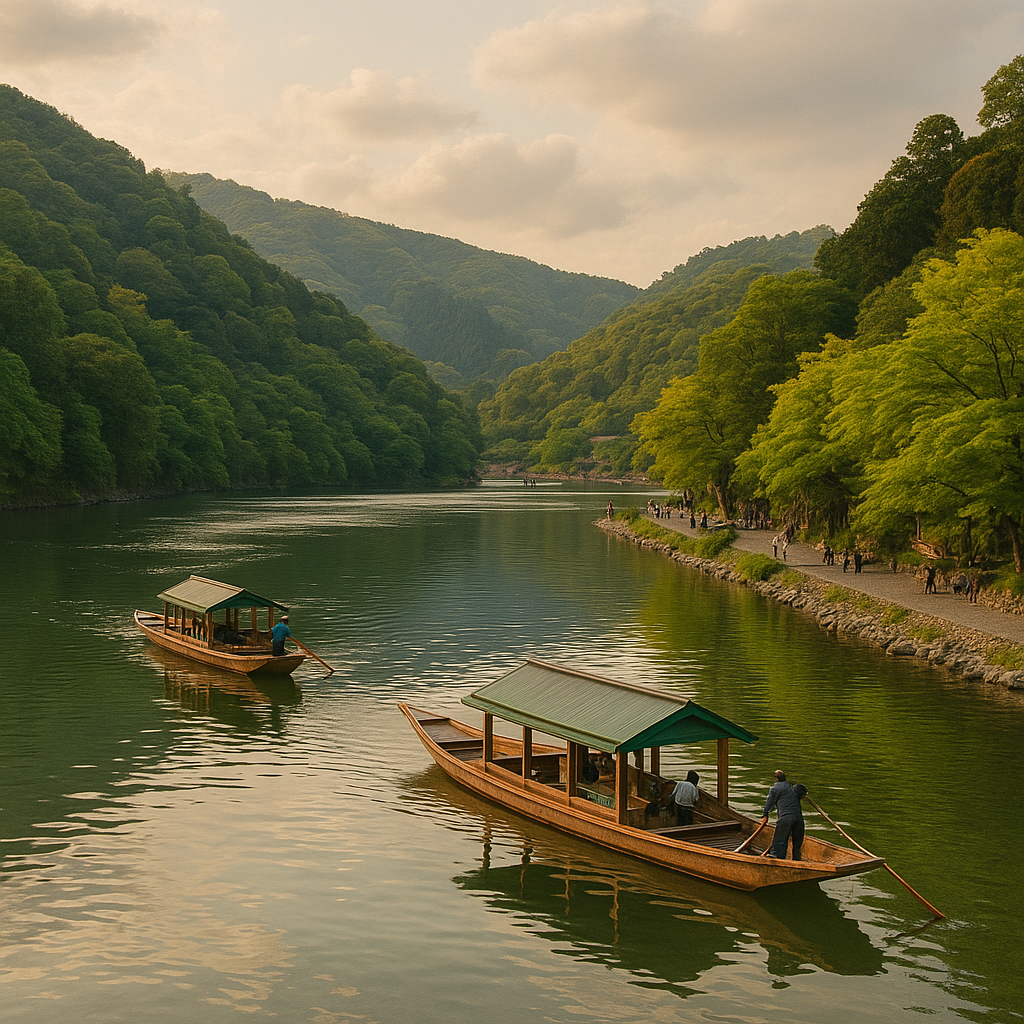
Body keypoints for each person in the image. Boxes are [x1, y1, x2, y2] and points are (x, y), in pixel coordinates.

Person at [760, 769, 804, 860]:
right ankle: (797, 860)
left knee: (780, 838)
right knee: (797, 843)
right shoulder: (792, 788)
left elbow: (770, 803)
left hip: (786, 819)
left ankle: (777, 857)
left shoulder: (775, 789)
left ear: (776, 779)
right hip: (798, 818)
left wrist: (765, 814)